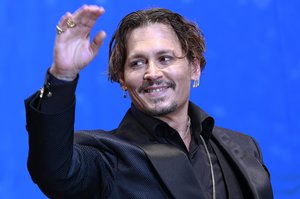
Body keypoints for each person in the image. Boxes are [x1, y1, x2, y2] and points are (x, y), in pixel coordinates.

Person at [25, 5, 273, 199]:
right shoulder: (105, 155)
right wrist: (62, 76)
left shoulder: (243, 147)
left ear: (194, 67)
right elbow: (54, 171)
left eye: (165, 58)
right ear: (122, 79)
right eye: (137, 63)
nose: (152, 73)